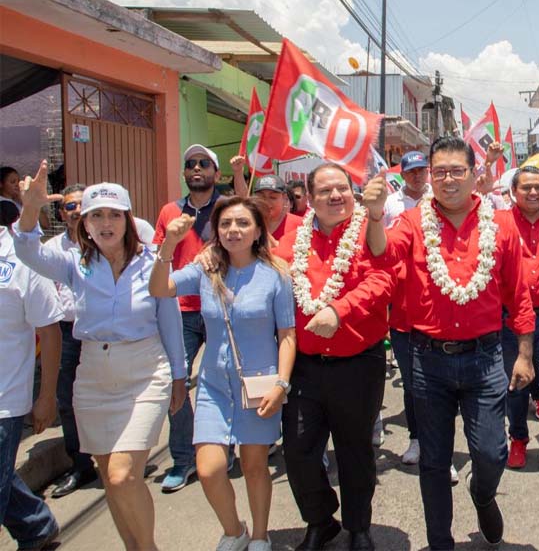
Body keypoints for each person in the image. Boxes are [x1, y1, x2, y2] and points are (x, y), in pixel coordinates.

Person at [363, 136, 535, 550]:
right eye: (439, 172)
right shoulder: (411, 222)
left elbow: (519, 292)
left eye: (456, 170)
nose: (447, 179)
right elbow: (382, 254)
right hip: (427, 361)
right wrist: (371, 217)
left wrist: (525, 354)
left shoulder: (501, 225)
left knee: (492, 452)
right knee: (434, 462)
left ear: (474, 174)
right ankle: (440, 541)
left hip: (485, 359)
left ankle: (483, 496)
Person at [14, 164, 187, 550]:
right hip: (92, 376)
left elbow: (169, 321)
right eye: (96, 215)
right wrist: (29, 209)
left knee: (126, 474)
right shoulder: (74, 262)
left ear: (127, 219)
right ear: (84, 222)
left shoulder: (153, 261)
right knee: (110, 476)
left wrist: (179, 376)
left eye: (113, 214)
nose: (105, 223)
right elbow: (26, 249)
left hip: (144, 372)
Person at [151, 196, 296, 551]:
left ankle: (260, 536)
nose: (234, 230)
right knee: (209, 469)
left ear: (259, 230)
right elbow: (160, 288)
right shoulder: (205, 268)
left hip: (258, 386)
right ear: (216, 231)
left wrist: (281, 384)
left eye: (243, 223)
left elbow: (287, 335)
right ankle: (235, 530)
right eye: (226, 224)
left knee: (254, 467)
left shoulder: (276, 274)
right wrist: (169, 245)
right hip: (214, 385)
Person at [273, 162, 393, 551]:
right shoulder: (294, 238)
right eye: (324, 191)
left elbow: (383, 278)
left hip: (358, 363)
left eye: (341, 187)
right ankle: (320, 521)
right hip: (306, 367)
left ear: (352, 191)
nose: (335, 196)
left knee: (355, 450)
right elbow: (266, 265)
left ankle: (358, 527)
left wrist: (340, 310)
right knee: (299, 449)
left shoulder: (368, 229)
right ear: (309, 198)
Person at [154, 143, 222, 493]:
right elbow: (158, 254)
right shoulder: (169, 211)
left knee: (229, 377)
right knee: (175, 385)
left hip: (220, 306)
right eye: (190, 163)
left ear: (216, 173)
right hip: (179, 311)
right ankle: (183, 460)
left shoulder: (225, 208)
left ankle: (231, 447)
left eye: (204, 163)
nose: (196, 168)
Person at [0, 220, 63, 550]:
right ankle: (36, 525)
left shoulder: (21, 258)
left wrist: (47, 395)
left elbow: (50, 331)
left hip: (4, 399)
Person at [499, 166, 539, 475]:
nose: (534, 192)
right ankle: (519, 438)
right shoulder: (500, 223)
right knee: (516, 382)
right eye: (526, 187)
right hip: (510, 317)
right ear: (514, 191)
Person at [43, 184, 99, 498]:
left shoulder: (108, 242)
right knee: (67, 401)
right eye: (69, 206)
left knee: (110, 394)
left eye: (80, 204)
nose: (75, 210)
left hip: (101, 332)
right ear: (61, 213)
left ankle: (121, 455)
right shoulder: (52, 248)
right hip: (66, 332)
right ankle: (80, 465)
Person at [380, 150, 432, 466]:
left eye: (421, 170)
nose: (416, 176)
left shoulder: (439, 200)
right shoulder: (390, 205)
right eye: (411, 171)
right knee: (413, 383)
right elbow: (382, 246)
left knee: (437, 387)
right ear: (403, 173)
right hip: (401, 304)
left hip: (434, 301)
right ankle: (416, 439)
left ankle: (438, 444)